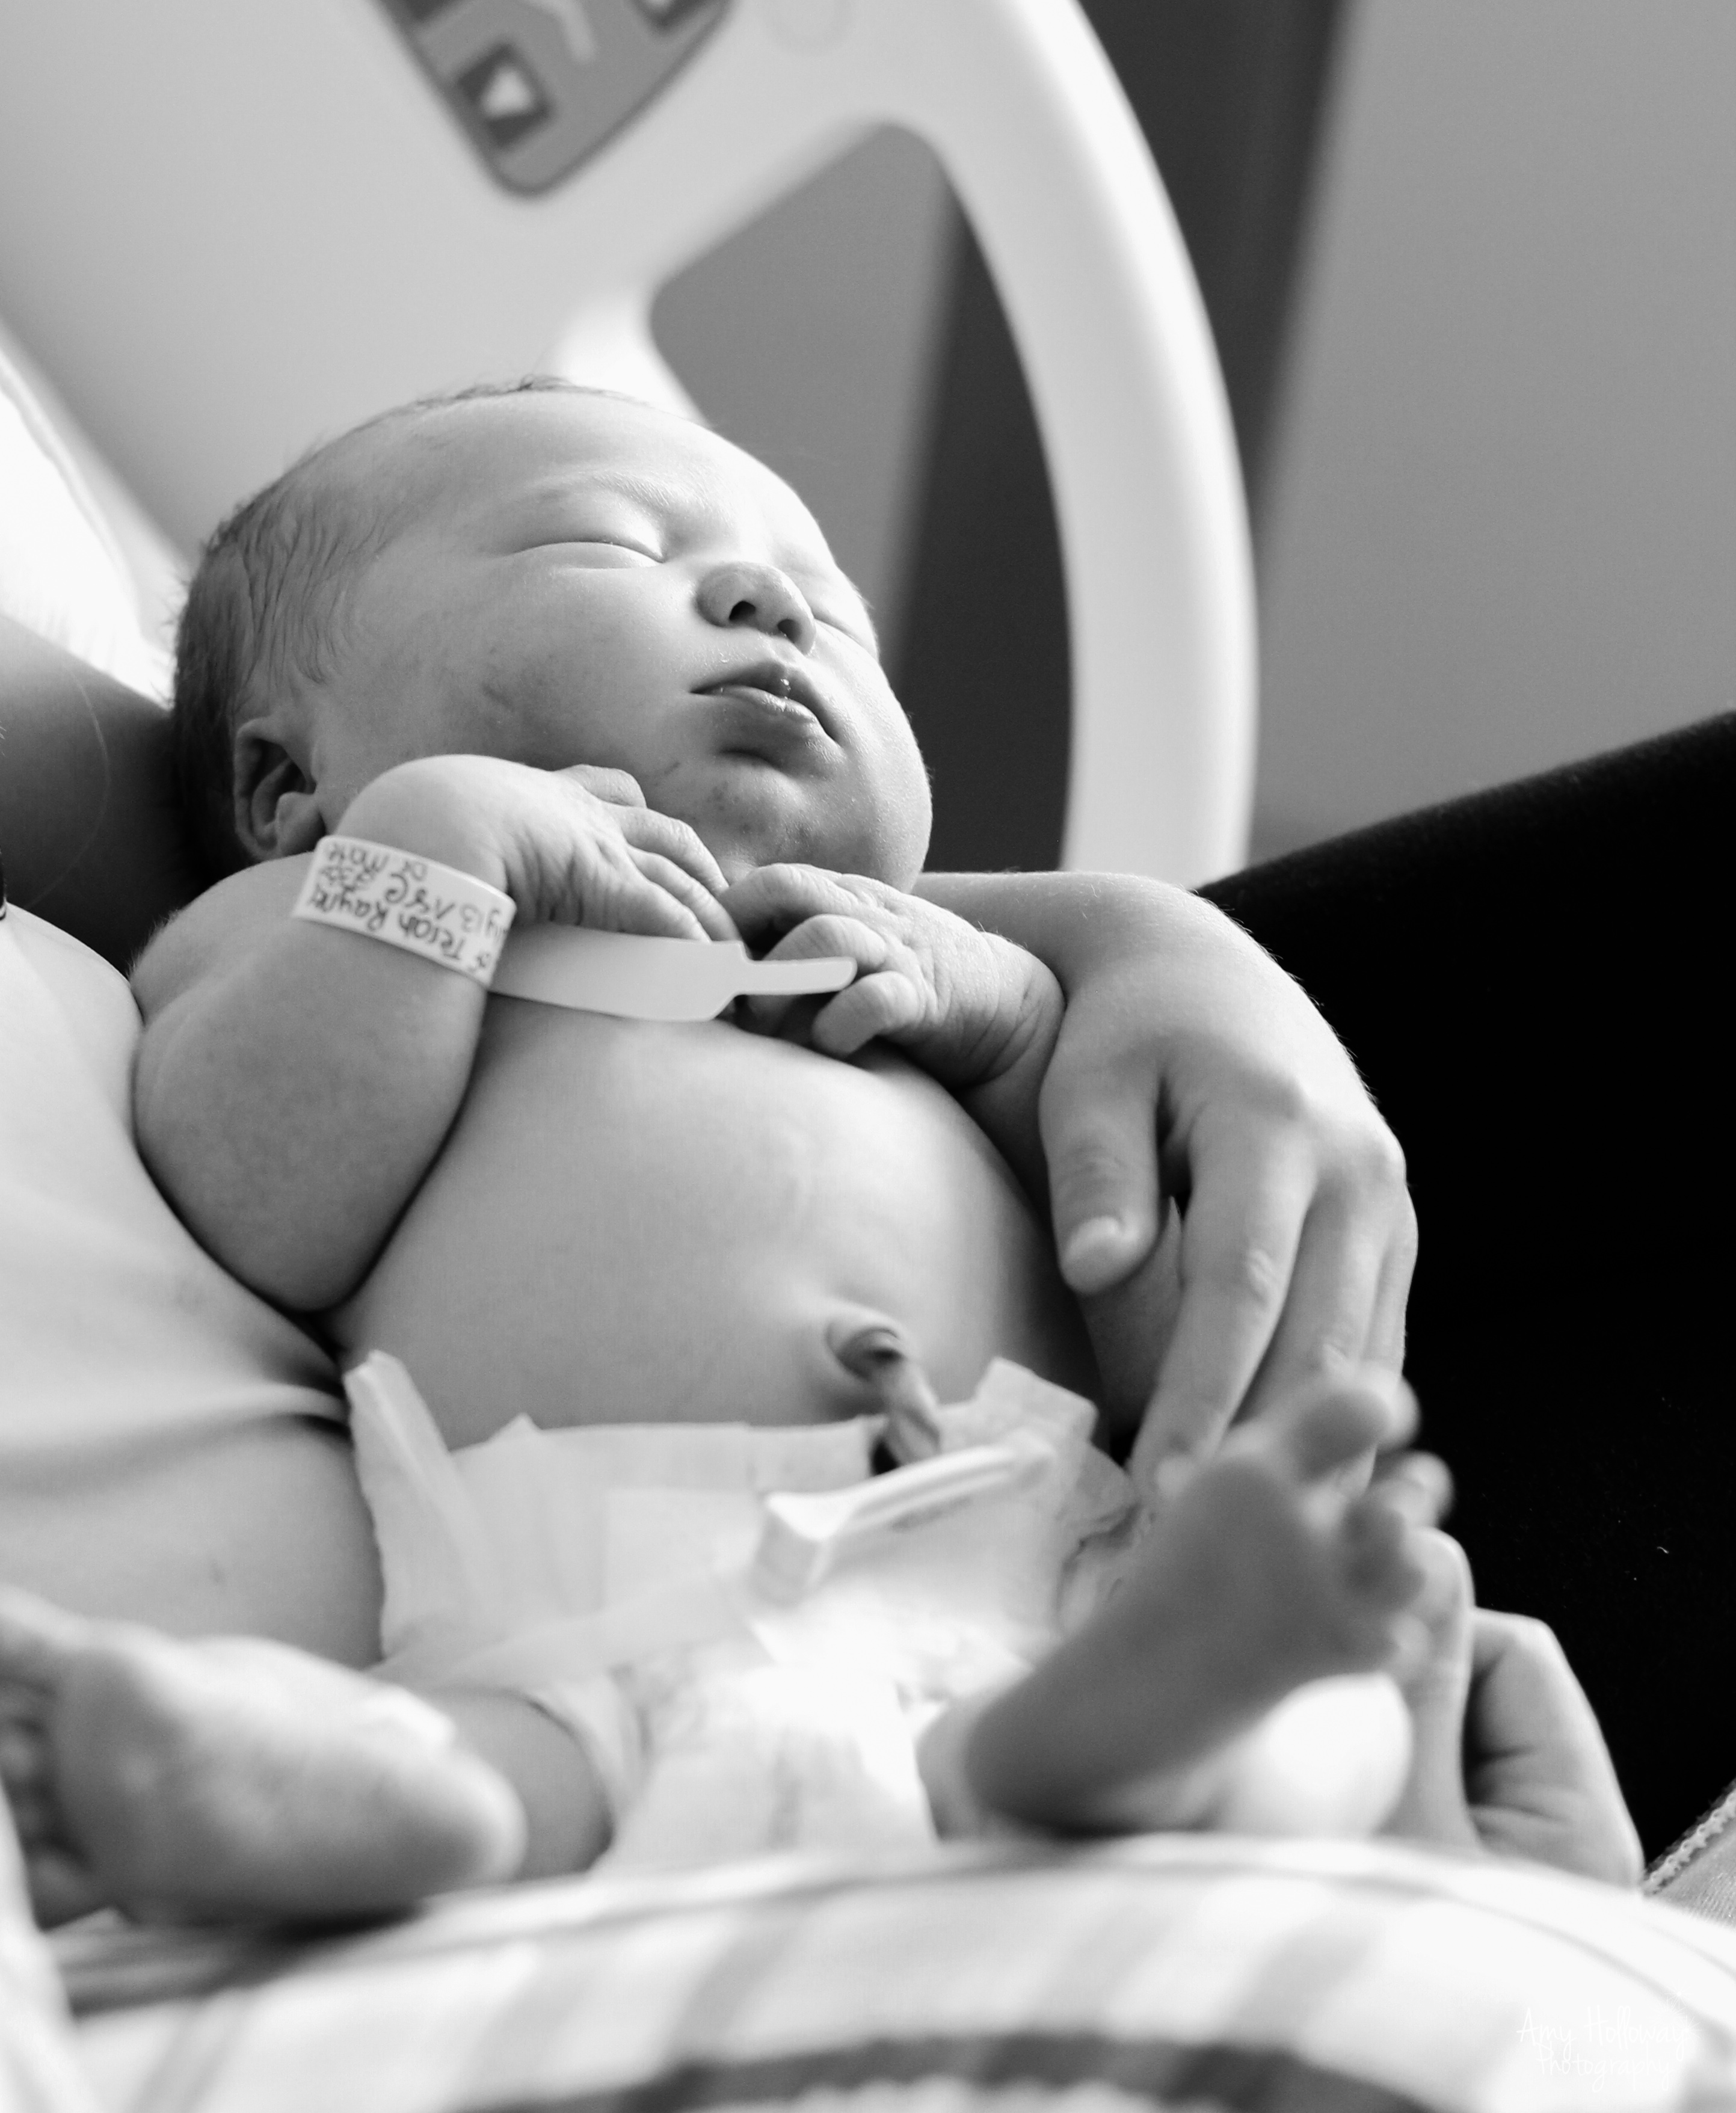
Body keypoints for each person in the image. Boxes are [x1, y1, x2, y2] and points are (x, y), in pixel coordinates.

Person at [1, 377, 1462, 1920]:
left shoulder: (940, 975)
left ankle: (1152, 1765)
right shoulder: (321, 909)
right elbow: (254, 1203)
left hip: (1051, 1580)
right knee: (449, 1763)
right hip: (618, 1609)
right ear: (285, 787)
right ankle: (248, 1787)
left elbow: (1173, 1334)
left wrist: (1021, 1028)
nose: (774, 601)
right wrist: (436, 851)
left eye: (841, 615)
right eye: (604, 543)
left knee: (1324, 1715)